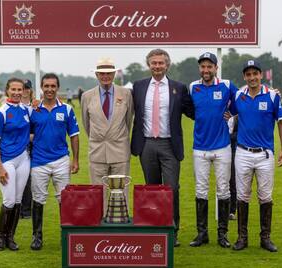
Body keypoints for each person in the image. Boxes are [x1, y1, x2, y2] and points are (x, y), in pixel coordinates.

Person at [131, 49, 194, 247]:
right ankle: (154, 228)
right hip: (147, 143)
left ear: (167, 65)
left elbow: (193, 111)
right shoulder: (139, 86)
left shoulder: (179, 87)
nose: (157, 66)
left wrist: (221, 106)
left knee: (171, 189)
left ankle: (172, 230)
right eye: (153, 63)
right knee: (152, 189)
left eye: (161, 63)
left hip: (169, 145)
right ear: (148, 65)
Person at [231, 60, 282, 252]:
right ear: (244, 77)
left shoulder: (272, 96)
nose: (252, 77)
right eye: (248, 74)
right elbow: (227, 114)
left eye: (255, 73)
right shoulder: (238, 95)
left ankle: (265, 238)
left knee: (265, 196)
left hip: (265, 154)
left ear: (261, 75)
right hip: (243, 153)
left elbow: (281, 122)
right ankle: (242, 238)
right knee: (242, 196)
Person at [188, 52, 238, 248]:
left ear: (216, 68)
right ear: (199, 68)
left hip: (222, 146)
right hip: (200, 147)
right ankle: (202, 234)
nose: (206, 70)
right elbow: (190, 109)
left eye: (209, 66)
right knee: (201, 190)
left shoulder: (226, 85)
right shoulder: (193, 87)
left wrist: (231, 113)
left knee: (223, 190)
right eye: (203, 67)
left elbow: (243, 98)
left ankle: (222, 235)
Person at [29, 73, 79, 250]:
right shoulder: (33, 110)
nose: (49, 89)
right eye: (46, 86)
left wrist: (75, 160)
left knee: (64, 199)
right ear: (41, 88)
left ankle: (66, 235)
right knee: (38, 199)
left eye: (53, 86)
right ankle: (37, 236)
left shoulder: (66, 109)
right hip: (38, 161)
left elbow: (74, 135)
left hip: (61, 160)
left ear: (58, 87)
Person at [81, 58, 133, 214]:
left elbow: (128, 121)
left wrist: (117, 137)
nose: (106, 77)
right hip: (97, 152)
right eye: (102, 74)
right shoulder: (87, 96)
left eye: (109, 73)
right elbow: (86, 124)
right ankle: (99, 224)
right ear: (97, 74)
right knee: (98, 192)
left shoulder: (126, 94)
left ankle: (121, 222)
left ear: (114, 74)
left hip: (120, 150)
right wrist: (99, 138)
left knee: (121, 192)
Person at [0, 78, 31, 251]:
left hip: (23, 159)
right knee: (8, 199)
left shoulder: (26, 110)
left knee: (18, 200)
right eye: (13, 89)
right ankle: (0, 237)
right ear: (7, 90)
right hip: (6, 160)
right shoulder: (1, 113)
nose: (16, 92)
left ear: (24, 91)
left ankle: (10, 238)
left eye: (19, 89)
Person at [20, 79, 35, 219]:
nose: (24, 91)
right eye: (22, 88)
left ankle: (26, 210)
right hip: (17, 148)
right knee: (17, 178)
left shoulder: (35, 107)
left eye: (27, 88)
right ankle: (18, 209)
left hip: (31, 147)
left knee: (28, 179)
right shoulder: (14, 107)